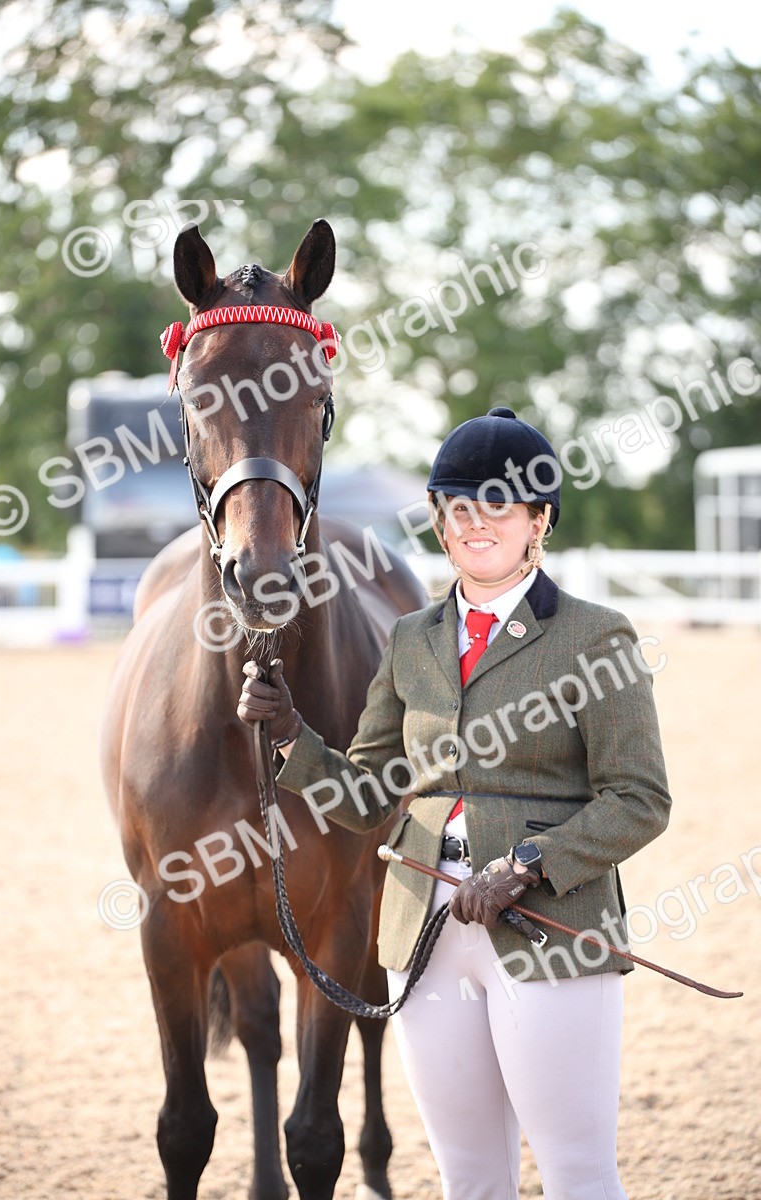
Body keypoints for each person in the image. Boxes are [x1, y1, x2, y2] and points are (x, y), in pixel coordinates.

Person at [238, 406, 671, 1200]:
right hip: (425, 928)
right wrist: (292, 738)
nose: (477, 526)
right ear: (438, 521)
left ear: (539, 520)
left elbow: (640, 798)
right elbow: (368, 794)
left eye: (499, 507)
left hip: (551, 927)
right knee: (468, 1178)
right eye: (459, 508)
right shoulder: (412, 639)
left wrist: (529, 864)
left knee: (577, 1172)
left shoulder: (596, 637)